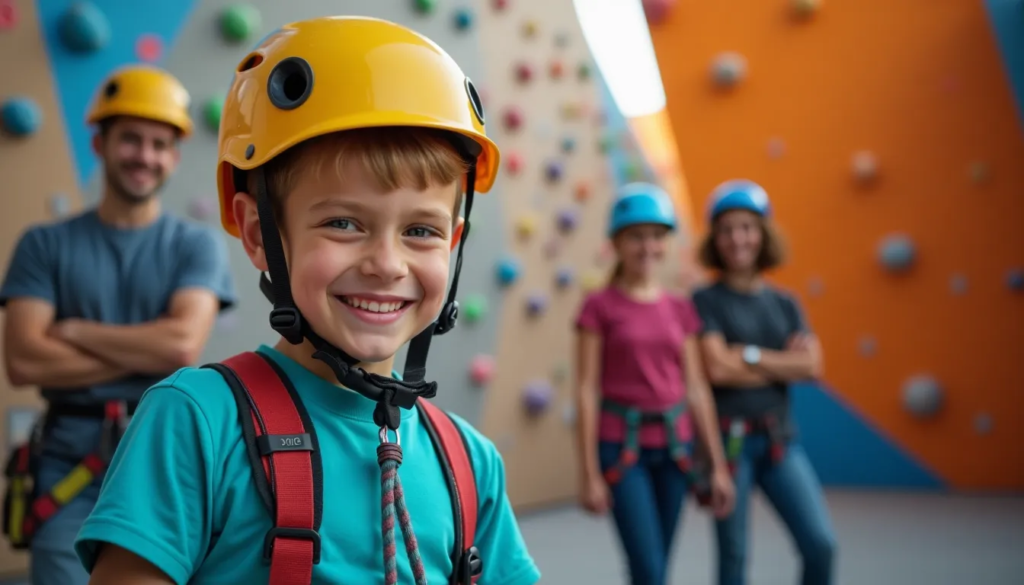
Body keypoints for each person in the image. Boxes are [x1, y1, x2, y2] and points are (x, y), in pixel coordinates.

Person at [72, 16, 540, 585]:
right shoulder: (197, 422)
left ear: (455, 244)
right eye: (343, 223)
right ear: (257, 234)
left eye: (421, 231)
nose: (387, 264)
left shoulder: (470, 463)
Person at [0, 65, 237, 585]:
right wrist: (143, 346)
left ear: (174, 156)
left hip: (165, 454)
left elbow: (180, 345)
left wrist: (75, 332)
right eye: (131, 138)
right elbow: (22, 360)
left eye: (159, 143)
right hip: (69, 463)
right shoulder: (44, 245)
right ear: (100, 142)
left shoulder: (194, 246)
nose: (145, 156)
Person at [574, 183, 735, 585]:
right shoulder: (599, 307)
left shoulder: (680, 308)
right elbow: (586, 389)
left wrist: (717, 465)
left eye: (657, 237)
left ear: (668, 242)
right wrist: (588, 473)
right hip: (622, 448)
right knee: (648, 569)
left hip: (675, 449)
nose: (647, 247)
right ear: (617, 242)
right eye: (636, 237)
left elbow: (696, 388)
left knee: (659, 566)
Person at [692, 179, 838, 585]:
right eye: (726, 230)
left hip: (779, 442)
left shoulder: (785, 303)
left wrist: (749, 355)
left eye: (747, 227)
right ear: (715, 240)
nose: (737, 238)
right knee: (734, 556)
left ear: (763, 234)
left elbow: (811, 367)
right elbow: (717, 369)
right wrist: (782, 362)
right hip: (729, 444)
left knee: (820, 544)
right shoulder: (705, 301)